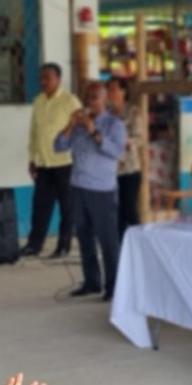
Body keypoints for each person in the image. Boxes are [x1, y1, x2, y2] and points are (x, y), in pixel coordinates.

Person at [55, 80, 127, 301]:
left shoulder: (114, 125)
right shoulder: (79, 124)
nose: (90, 102)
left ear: (105, 100)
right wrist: (70, 125)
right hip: (78, 187)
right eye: (87, 97)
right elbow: (58, 146)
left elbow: (117, 152)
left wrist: (93, 131)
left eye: (95, 97)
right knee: (84, 237)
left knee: (107, 240)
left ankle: (113, 287)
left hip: (101, 190)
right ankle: (92, 282)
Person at [22, 63, 81, 259]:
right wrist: (32, 158)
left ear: (58, 79)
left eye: (48, 78)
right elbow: (34, 132)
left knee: (67, 208)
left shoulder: (70, 101)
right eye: (41, 78)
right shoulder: (38, 100)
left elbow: (79, 129)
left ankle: (63, 246)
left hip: (65, 163)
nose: (43, 82)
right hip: (44, 163)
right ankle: (34, 245)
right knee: (40, 206)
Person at [106, 76, 144, 239]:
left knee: (129, 209)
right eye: (109, 89)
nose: (111, 92)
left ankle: (141, 239)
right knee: (116, 211)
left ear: (124, 91)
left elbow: (140, 138)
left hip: (129, 169)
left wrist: (125, 141)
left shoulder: (132, 111)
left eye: (114, 89)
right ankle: (121, 246)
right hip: (109, 170)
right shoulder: (105, 112)